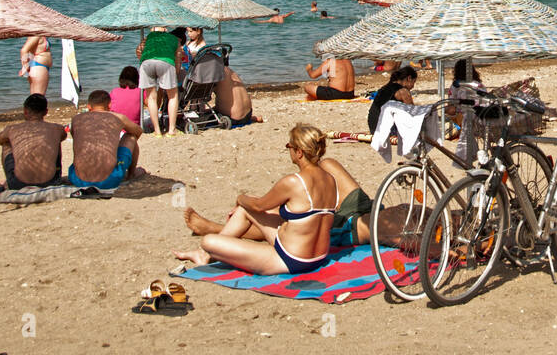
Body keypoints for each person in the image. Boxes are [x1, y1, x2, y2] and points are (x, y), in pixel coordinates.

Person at [173, 125, 339, 276]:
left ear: (299, 152)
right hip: (318, 256)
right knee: (245, 209)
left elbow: (258, 206)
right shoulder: (330, 179)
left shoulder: (294, 182)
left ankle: (204, 252)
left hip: (291, 260)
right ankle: (202, 255)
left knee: (208, 241)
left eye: (289, 146)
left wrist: (240, 198)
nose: (287, 150)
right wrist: (245, 205)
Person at [184, 153, 378, 248]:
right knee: (327, 164)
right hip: (367, 208)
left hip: (351, 226)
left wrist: (242, 199)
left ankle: (216, 229)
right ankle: (274, 207)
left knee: (288, 219)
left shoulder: (397, 233)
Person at [68, 89, 145, 189]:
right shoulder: (118, 117)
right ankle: (131, 174)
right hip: (109, 180)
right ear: (109, 105)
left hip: (77, 179)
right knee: (131, 136)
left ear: (89, 107)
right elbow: (138, 131)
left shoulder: (76, 119)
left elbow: (76, 138)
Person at [0, 94, 67, 189]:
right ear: (46, 112)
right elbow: (63, 136)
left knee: (7, 143)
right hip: (51, 182)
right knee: (55, 141)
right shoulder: (57, 128)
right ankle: (55, 174)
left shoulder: (12, 129)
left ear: (25, 111)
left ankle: (10, 179)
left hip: (18, 184)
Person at [138, 26, 181, 136]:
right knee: (173, 96)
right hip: (166, 62)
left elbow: (139, 50)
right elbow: (178, 59)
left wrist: (142, 60)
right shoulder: (175, 39)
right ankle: (171, 130)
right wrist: (175, 72)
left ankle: (157, 131)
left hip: (146, 62)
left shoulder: (149, 37)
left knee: (151, 98)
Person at [368, 65, 417, 133]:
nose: (413, 86)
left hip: (373, 127)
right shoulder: (403, 92)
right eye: (413, 82)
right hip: (387, 130)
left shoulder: (384, 88)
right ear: (409, 78)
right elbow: (413, 113)